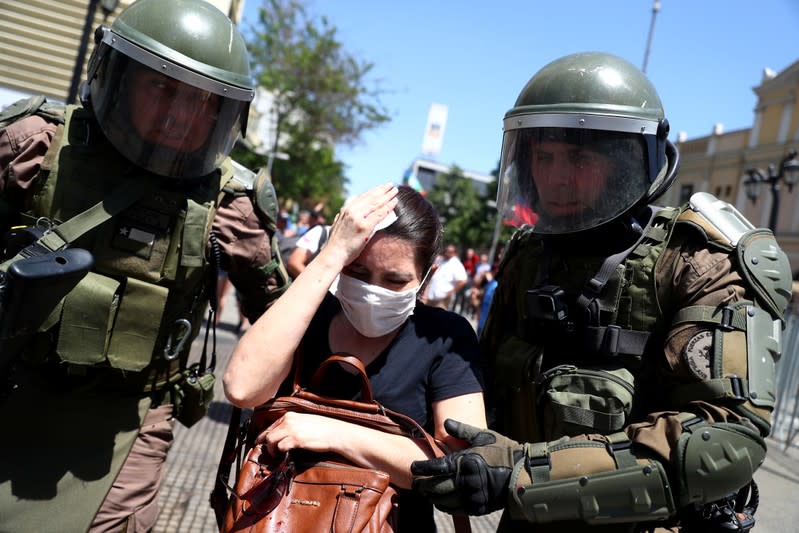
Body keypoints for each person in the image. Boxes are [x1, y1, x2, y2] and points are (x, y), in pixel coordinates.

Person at [411, 51, 792, 532]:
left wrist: (523, 475)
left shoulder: (699, 261)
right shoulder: (529, 256)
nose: (557, 177)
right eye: (543, 157)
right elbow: (481, 388)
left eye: (579, 157)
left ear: (629, 161)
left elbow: (727, 439)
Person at [0, 1, 289, 531]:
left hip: (130, 419)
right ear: (118, 75)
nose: (183, 113)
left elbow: (279, 318)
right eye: (163, 88)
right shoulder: (35, 144)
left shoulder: (231, 202)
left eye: (204, 102)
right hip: (12, 380)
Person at [224, 183, 487, 532]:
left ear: (426, 279)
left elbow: (462, 464)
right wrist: (331, 256)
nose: (373, 292)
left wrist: (334, 433)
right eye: (358, 272)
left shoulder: (445, 336)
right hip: (276, 518)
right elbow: (242, 388)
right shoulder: (308, 313)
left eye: (395, 280)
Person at [422, 244, 468, 310]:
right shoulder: (441, 260)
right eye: (446, 251)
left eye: (450, 252)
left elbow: (463, 281)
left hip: (443, 299)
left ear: (454, 253)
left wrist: (451, 292)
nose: (446, 253)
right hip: (431, 296)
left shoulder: (456, 264)